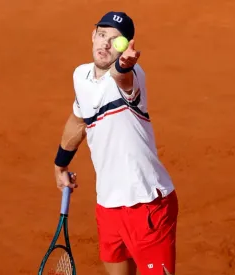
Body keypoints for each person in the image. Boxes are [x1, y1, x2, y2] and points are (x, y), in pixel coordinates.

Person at [52, 11, 178, 275]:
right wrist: (60, 164)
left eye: (116, 41)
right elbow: (78, 121)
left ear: (126, 47)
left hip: (147, 206)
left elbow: (122, 77)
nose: (105, 44)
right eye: (101, 35)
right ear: (92, 35)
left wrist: (124, 66)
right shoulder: (81, 76)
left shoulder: (132, 76)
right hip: (108, 205)